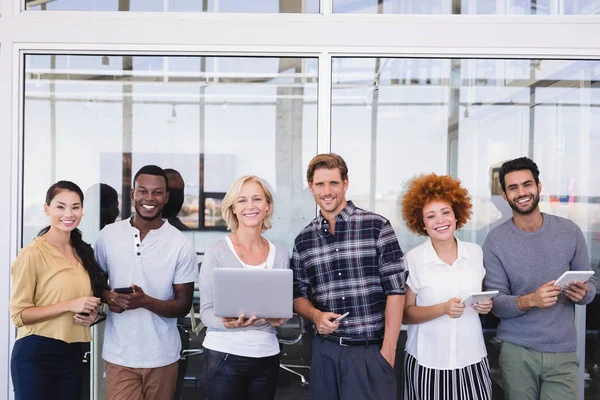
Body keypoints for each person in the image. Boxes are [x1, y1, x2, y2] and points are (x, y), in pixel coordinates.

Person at [291, 153, 407, 400]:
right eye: (320, 184)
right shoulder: (303, 240)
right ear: (311, 187)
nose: (327, 191)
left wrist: (388, 350)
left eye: (334, 183)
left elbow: (396, 291)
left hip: (369, 353)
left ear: (346, 183)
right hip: (325, 354)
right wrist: (315, 315)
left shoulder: (377, 226)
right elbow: (297, 296)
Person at [483, 157, 597, 400]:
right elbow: (496, 304)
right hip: (516, 352)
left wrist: (584, 293)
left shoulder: (569, 231)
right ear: (504, 195)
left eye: (527, 184)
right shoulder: (495, 241)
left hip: (562, 352)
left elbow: (591, 286)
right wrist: (531, 300)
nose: (522, 192)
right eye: (513, 188)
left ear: (539, 187)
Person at [95, 165, 197, 400]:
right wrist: (109, 296)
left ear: (166, 197)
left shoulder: (180, 244)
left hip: (162, 357)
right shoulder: (108, 235)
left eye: (157, 192)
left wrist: (145, 302)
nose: (149, 198)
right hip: (120, 356)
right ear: (132, 194)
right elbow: (94, 284)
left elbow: (183, 305)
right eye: (143, 191)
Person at [10, 180, 106, 400]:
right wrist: (69, 305)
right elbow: (19, 315)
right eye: (60, 206)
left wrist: (89, 314)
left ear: (82, 210)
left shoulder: (83, 252)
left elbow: (82, 299)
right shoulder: (32, 254)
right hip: (36, 354)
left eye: (75, 207)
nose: (68, 213)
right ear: (47, 209)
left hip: (73, 353)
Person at [400, 173, 492, 400]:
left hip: (471, 359)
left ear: (456, 214)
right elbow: (405, 314)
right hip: (427, 361)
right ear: (421, 223)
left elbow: (480, 297)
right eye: (431, 216)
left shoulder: (475, 253)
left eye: (445, 212)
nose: (440, 221)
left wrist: (485, 305)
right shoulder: (413, 259)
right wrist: (443, 308)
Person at [199, 175, 289, 400]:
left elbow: (282, 311)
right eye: (242, 200)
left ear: (267, 206)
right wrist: (226, 323)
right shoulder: (217, 251)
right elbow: (206, 311)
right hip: (224, 356)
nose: (250, 206)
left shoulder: (280, 253)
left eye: (257, 199)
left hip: (267, 356)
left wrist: (280, 319)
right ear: (233, 208)